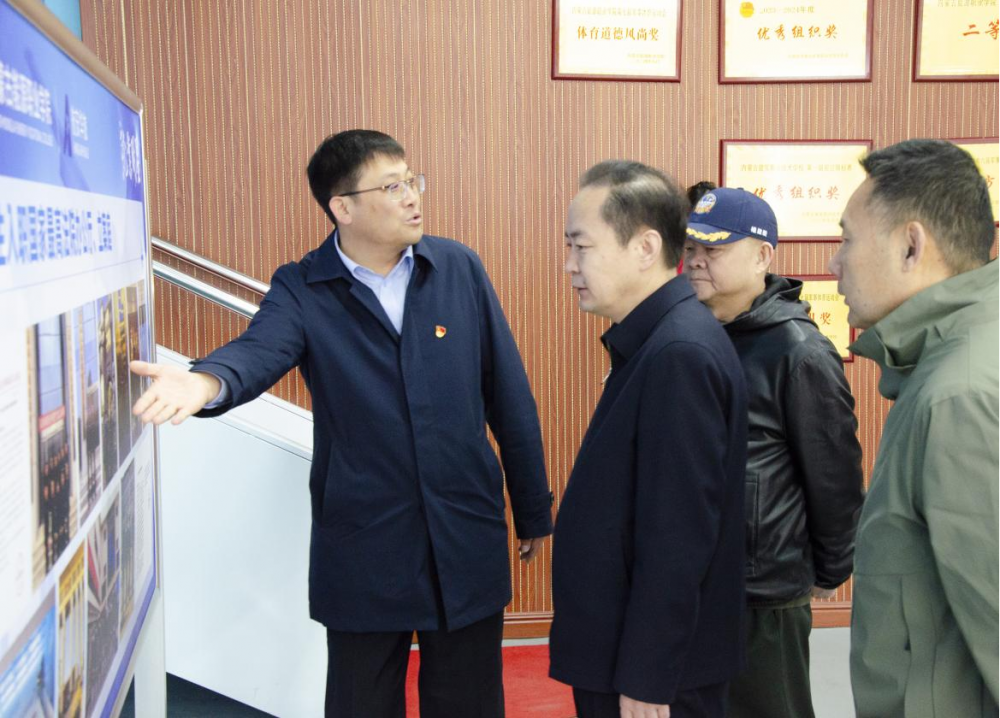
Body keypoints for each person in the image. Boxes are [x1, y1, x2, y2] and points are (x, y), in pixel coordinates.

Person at [129, 129, 554, 717]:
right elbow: (259, 350)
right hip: (365, 544)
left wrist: (531, 507)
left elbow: (508, 393)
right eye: (392, 186)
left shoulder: (457, 268)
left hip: (464, 531)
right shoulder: (304, 287)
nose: (412, 196)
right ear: (343, 208)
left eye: (411, 180)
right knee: (361, 702)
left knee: (469, 703)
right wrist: (205, 382)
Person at [549, 160, 749, 718]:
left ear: (645, 247)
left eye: (581, 246)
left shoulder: (679, 353)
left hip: (651, 676)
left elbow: (678, 537)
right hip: (625, 654)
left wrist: (648, 675)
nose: (569, 265)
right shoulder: (658, 339)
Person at [829, 138, 998, 717]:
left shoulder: (959, 395)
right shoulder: (952, 360)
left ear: (910, 246)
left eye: (847, 239)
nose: (835, 264)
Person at [683, 187, 864, 718]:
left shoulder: (798, 351)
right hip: (696, 580)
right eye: (691, 248)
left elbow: (833, 475)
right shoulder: (696, 334)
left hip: (763, 591)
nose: (696, 260)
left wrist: (831, 569)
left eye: (713, 249)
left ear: (762, 256)